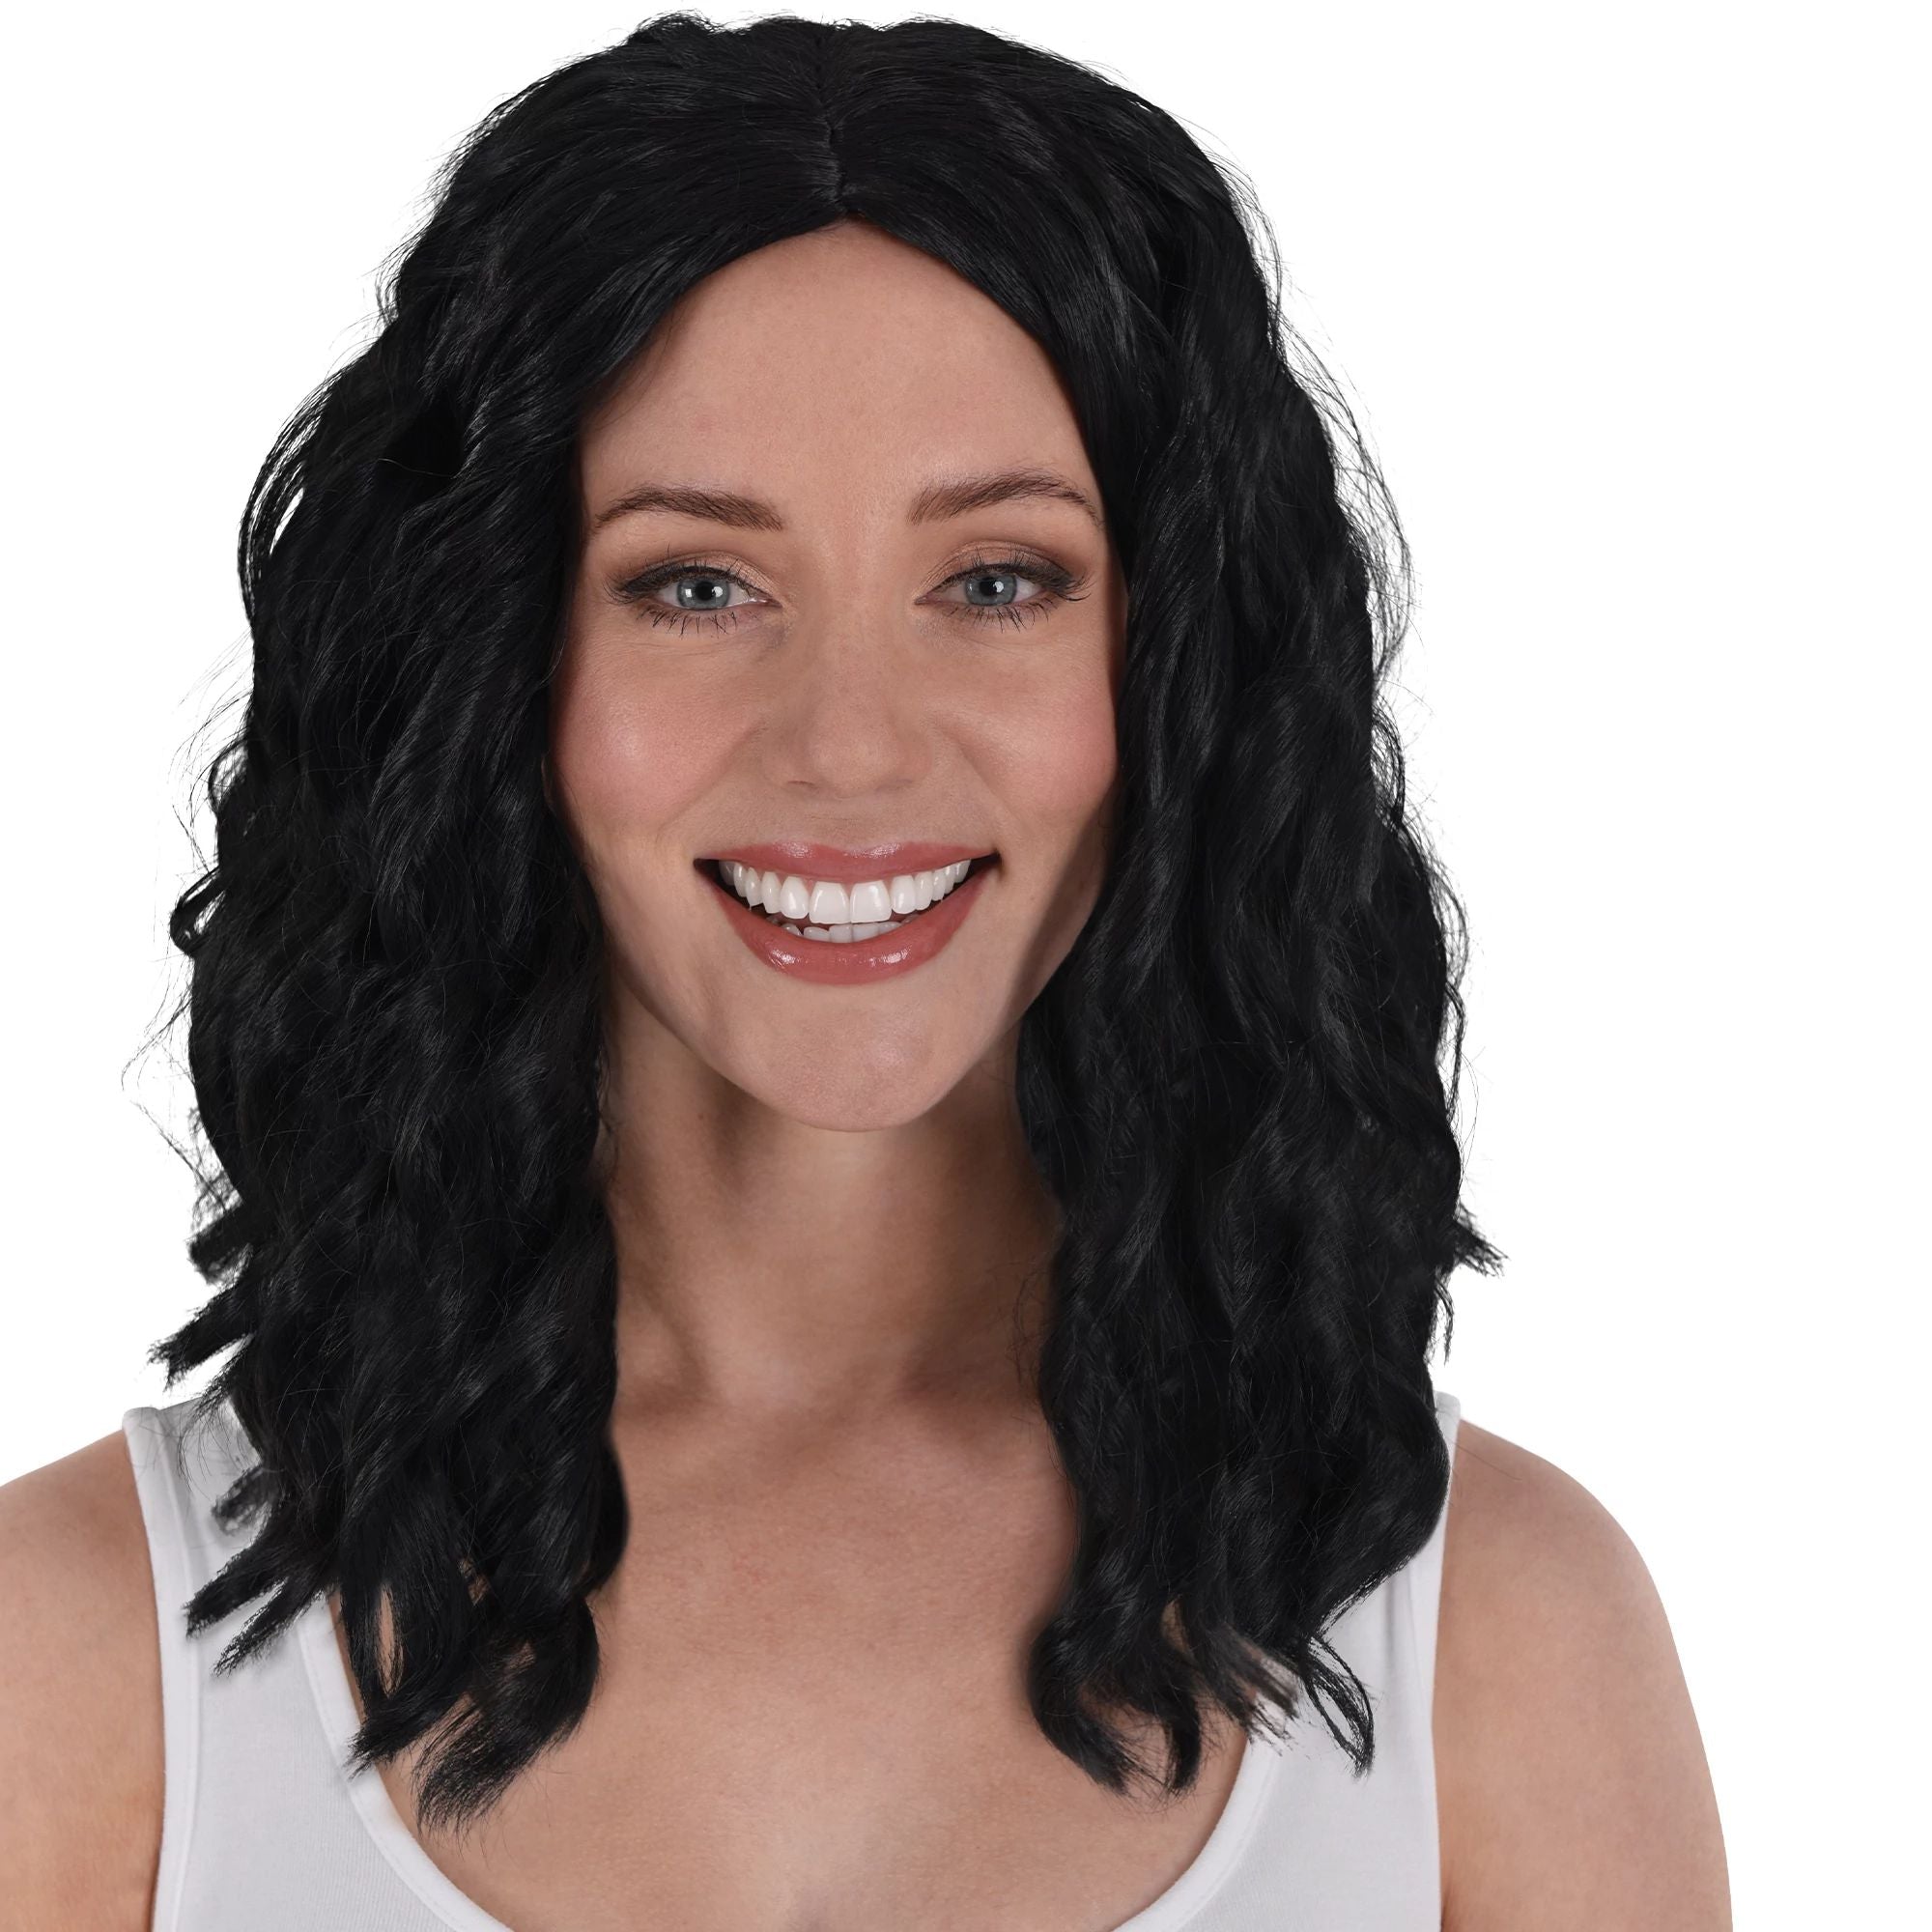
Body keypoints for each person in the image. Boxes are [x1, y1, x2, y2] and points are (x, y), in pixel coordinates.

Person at [0, 13, 1730, 1929]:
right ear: (490, 670)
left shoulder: (1500, 1641)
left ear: (1183, 678)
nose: (849, 748)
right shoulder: (68, 1657)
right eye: (696, 584)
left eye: (997, 581)